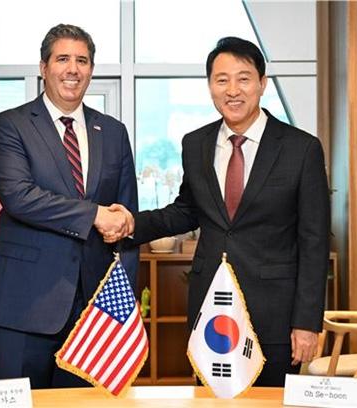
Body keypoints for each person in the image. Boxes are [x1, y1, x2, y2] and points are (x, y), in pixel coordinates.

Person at [108, 36, 330, 386]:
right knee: (212, 402)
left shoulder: (301, 149)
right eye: (222, 79)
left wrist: (306, 323)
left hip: (275, 314)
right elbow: (186, 211)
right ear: (210, 85)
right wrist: (132, 222)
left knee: (272, 404)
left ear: (262, 84)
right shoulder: (195, 144)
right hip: (211, 312)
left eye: (244, 79)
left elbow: (314, 241)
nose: (233, 90)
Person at [0, 23, 138, 389]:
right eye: (62, 59)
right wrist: (94, 214)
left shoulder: (113, 132)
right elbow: (19, 197)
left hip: (95, 311)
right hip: (24, 304)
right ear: (43, 67)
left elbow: (126, 219)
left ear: (91, 70)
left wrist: (123, 301)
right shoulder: (11, 125)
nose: (73, 69)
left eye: (82, 60)